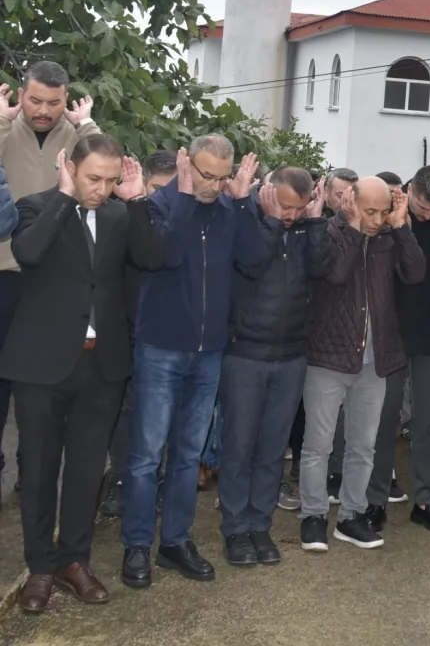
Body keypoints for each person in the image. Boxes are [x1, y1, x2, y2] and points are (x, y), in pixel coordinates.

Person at [4, 137, 159, 613]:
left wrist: (136, 202)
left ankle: (75, 561)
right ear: (68, 168)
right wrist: (66, 197)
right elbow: (27, 253)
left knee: (88, 471)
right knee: (40, 472)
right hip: (41, 366)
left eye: (111, 180)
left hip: (103, 364)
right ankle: (41, 568)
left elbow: (153, 259)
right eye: (94, 178)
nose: (102, 189)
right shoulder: (34, 208)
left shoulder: (118, 213)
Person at [121, 138, 265, 590]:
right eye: (208, 175)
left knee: (188, 456)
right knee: (146, 457)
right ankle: (137, 545)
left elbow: (256, 260)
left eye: (223, 177)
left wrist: (242, 202)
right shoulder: (160, 205)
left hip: (210, 352)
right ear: (186, 163)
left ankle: (174, 542)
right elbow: (163, 256)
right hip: (161, 348)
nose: (215, 185)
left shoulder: (228, 209)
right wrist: (184, 196)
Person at [298, 177, 423, 554]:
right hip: (329, 355)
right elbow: (334, 275)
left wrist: (400, 226)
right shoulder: (329, 231)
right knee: (318, 445)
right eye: (370, 211)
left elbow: (416, 273)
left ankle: (351, 516)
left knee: (363, 446)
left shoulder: (389, 237)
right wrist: (353, 229)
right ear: (350, 202)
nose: (376, 218)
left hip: (375, 360)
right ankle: (313, 516)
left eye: (383, 211)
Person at [217, 168, 331, 568]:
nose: (291, 215)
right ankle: (234, 528)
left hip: (291, 354)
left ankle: (259, 525)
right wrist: (267, 221)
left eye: (299, 208)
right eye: (285, 206)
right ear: (267, 193)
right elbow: (249, 263)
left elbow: (324, 270)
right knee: (239, 445)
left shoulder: (306, 225)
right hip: (245, 352)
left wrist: (315, 221)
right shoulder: (245, 217)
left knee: (271, 448)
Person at [0, 66, 100, 497]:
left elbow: (107, 166)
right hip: (5, 275)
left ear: (66, 100)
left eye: (53, 103)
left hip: (55, 281)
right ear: (21, 95)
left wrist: (88, 124)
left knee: (40, 383)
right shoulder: (4, 130)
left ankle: (32, 473)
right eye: (35, 100)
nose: (43, 111)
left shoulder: (76, 139)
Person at [377, 165, 430, 535]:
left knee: (428, 422)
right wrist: (400, 228)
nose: (426, 214)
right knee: (383, 421)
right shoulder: (388, 218)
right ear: (409, 189)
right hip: (393, 334)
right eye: (421, 206)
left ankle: (425, 500)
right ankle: (373, 501)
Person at [100, 151, 177, 520]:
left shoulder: (182, 219)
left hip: (166, 332)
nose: (162, 196)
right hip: (127, 328)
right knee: (125, 408)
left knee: (162, 411)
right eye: (156, 188)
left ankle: (156, 479)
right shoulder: (123, 216)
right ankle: (118, 479)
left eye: (169, 188)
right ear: (143, 182)